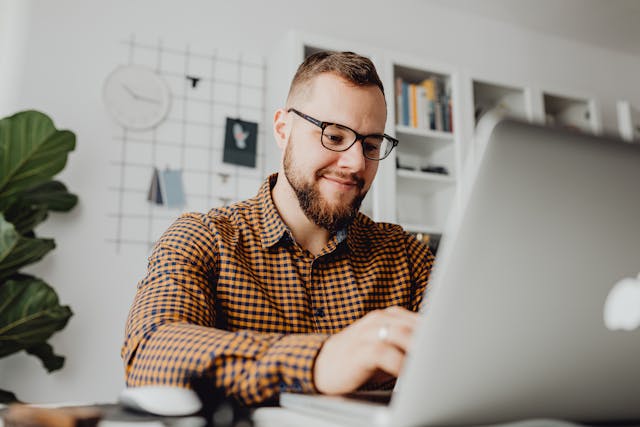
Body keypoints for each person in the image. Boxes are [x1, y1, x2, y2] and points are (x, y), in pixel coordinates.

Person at [122, 51, 434, 406]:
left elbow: (470, 353)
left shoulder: (405, 255)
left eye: (371, 144)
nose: (356, 163)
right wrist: (320, 361)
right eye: (333, 136)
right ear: (283, 130)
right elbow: (149, 356)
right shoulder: (203, 237)